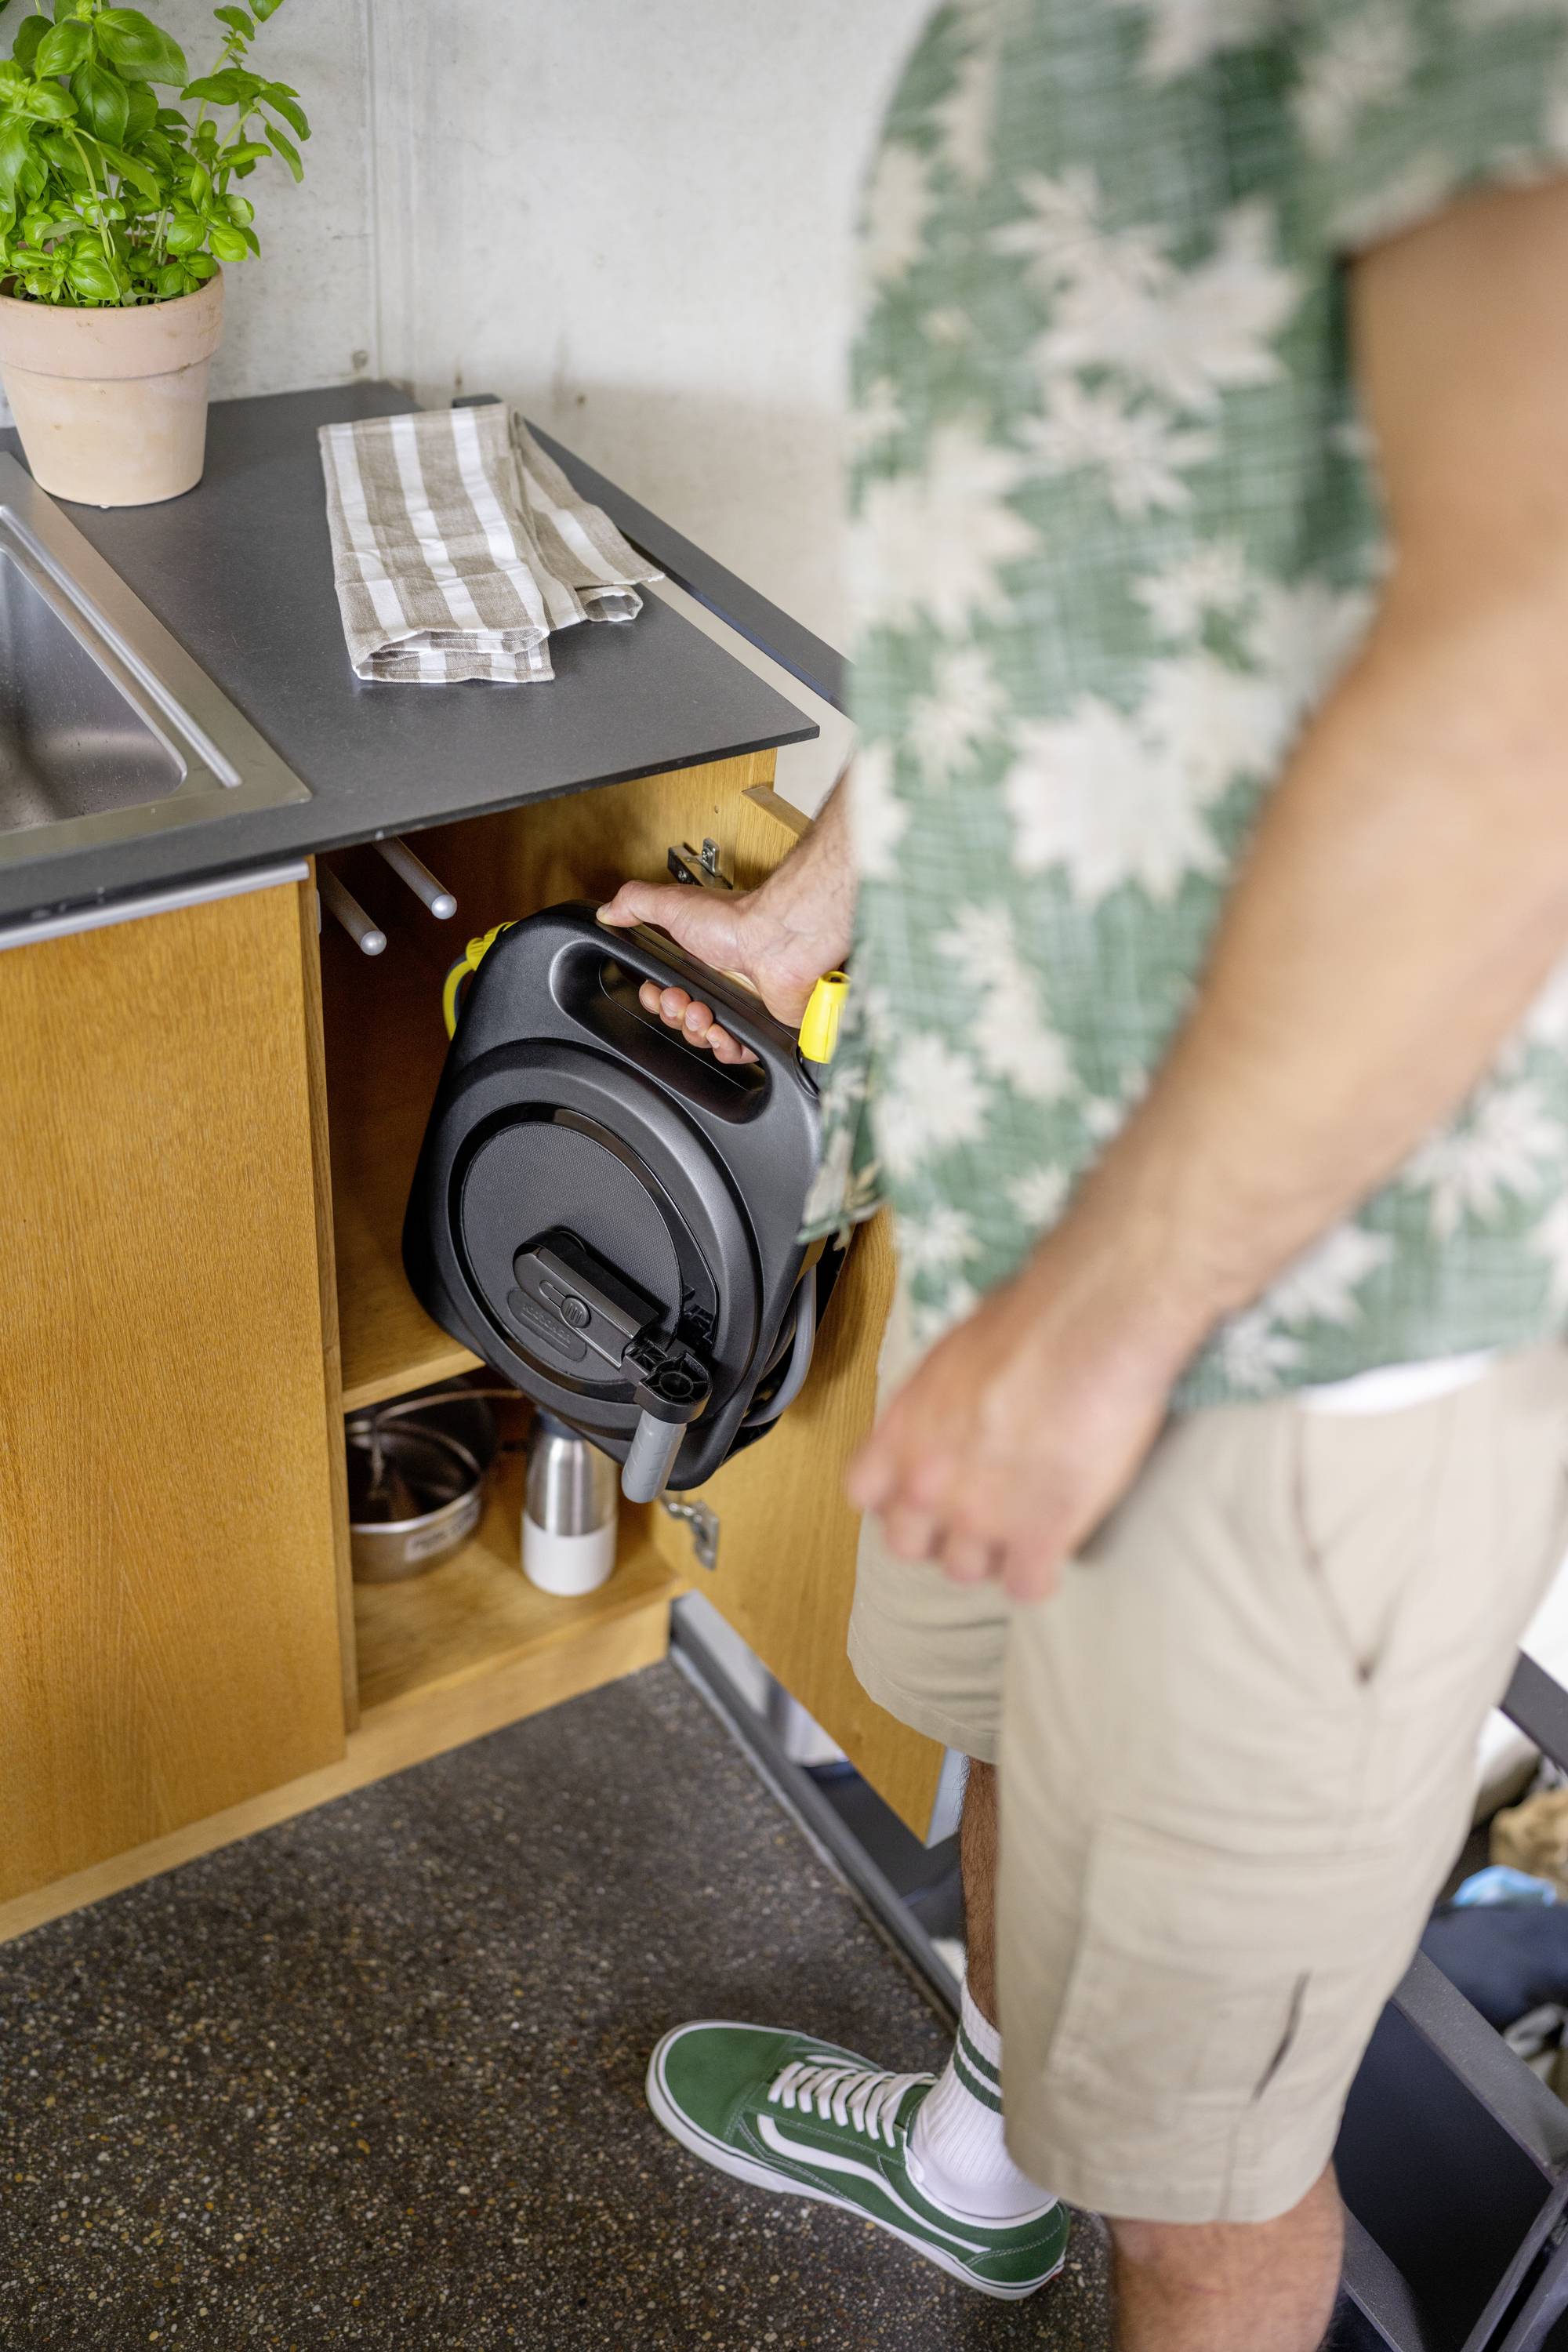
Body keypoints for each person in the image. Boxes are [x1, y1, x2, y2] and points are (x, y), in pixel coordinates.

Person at [601, 2, 1568, 2343]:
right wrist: (803, 916)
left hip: (1290, 1336)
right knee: (1019, 1740)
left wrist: (1118, 1318)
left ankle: (1084, 2201)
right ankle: (972, 2166)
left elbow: (1534, 649)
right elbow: (1058, 587)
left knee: (1212, 2199)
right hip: (1052, 1222)